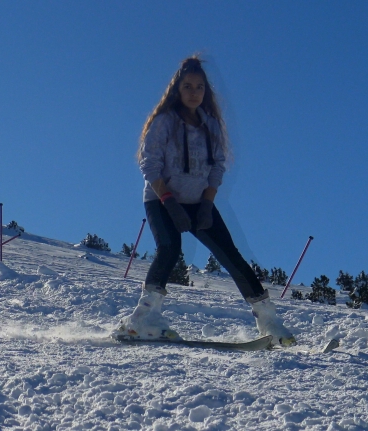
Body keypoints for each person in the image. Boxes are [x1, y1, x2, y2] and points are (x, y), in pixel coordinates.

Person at [112, 56, 295, 347]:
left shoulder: (211, 125)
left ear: (206, 91)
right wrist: (170, 202)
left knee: (231, 256)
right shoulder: (163, 122)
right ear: (177, 89)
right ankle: (143, 318)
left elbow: (218, 166)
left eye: (199, 87)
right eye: (187, 86)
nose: (194, 92)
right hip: (162, 199)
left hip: (199, 202)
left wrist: (207, 204)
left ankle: (269, 320)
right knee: (170, 248)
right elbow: (149, 165)